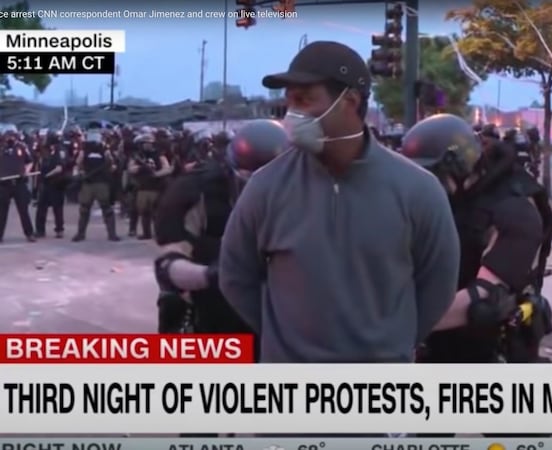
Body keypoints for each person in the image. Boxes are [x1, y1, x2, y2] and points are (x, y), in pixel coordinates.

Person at [219, 40, 460, 363]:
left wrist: (391, 344)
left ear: (350, 101)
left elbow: (438, 286)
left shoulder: (417, 190)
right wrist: (285, 342)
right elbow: (236, 276)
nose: (293, 114)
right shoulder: (266, 187)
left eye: (304, 100)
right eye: (289, 101)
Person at [401, 114, 552, 437]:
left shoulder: (515, 209)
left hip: (496, 348)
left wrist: (398, 329)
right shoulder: (447, 199)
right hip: (439, 345)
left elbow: (485, 296)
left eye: (430, 174)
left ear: (457, 166)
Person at [153, 119, 289, 338]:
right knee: (173, 305)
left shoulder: (310, 189)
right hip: (217, 308)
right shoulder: (200, 191)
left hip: (287, 312)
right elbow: (169, 263)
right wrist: (212, 275)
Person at [72, 130, 121, 242]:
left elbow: (78, 164)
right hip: (98, 183)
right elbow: (112, 166)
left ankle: (81, 234)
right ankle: (111, 234)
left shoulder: (86, 151)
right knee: (100, 209)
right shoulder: (103, 151)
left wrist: (82, 172)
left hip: (94, 183)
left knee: (90, 209)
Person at [128, 133, 171, 240]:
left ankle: (160, 233)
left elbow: (167, 168)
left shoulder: (159, 155)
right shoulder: (137, 155)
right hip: (142, 187)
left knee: (157, 213)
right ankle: (146, 234)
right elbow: (131, 169)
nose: (147, 145)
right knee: (144, 212)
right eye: (145, 143)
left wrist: (157, 174)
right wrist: (140, 168)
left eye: (149, 143)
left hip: (157, 187)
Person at [0, 130, 36, 243]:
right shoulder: (1, 148)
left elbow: (30, 161)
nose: (9, 139)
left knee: (23, 210)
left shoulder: (22, 147)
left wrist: (26, 171)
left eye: (12, 137)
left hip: (19, 183)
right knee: (1, 211)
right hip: (3, 184)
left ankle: (29, 233)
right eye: (7, 137)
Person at [34, 132, 67, 238]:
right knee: (41, 207)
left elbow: (59, 168)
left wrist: (46, 175)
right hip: (45, 184)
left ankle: (59, 230)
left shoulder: (60, 150)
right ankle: (40, 230)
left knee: (57, 208)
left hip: (56, 183)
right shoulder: (46, 150)